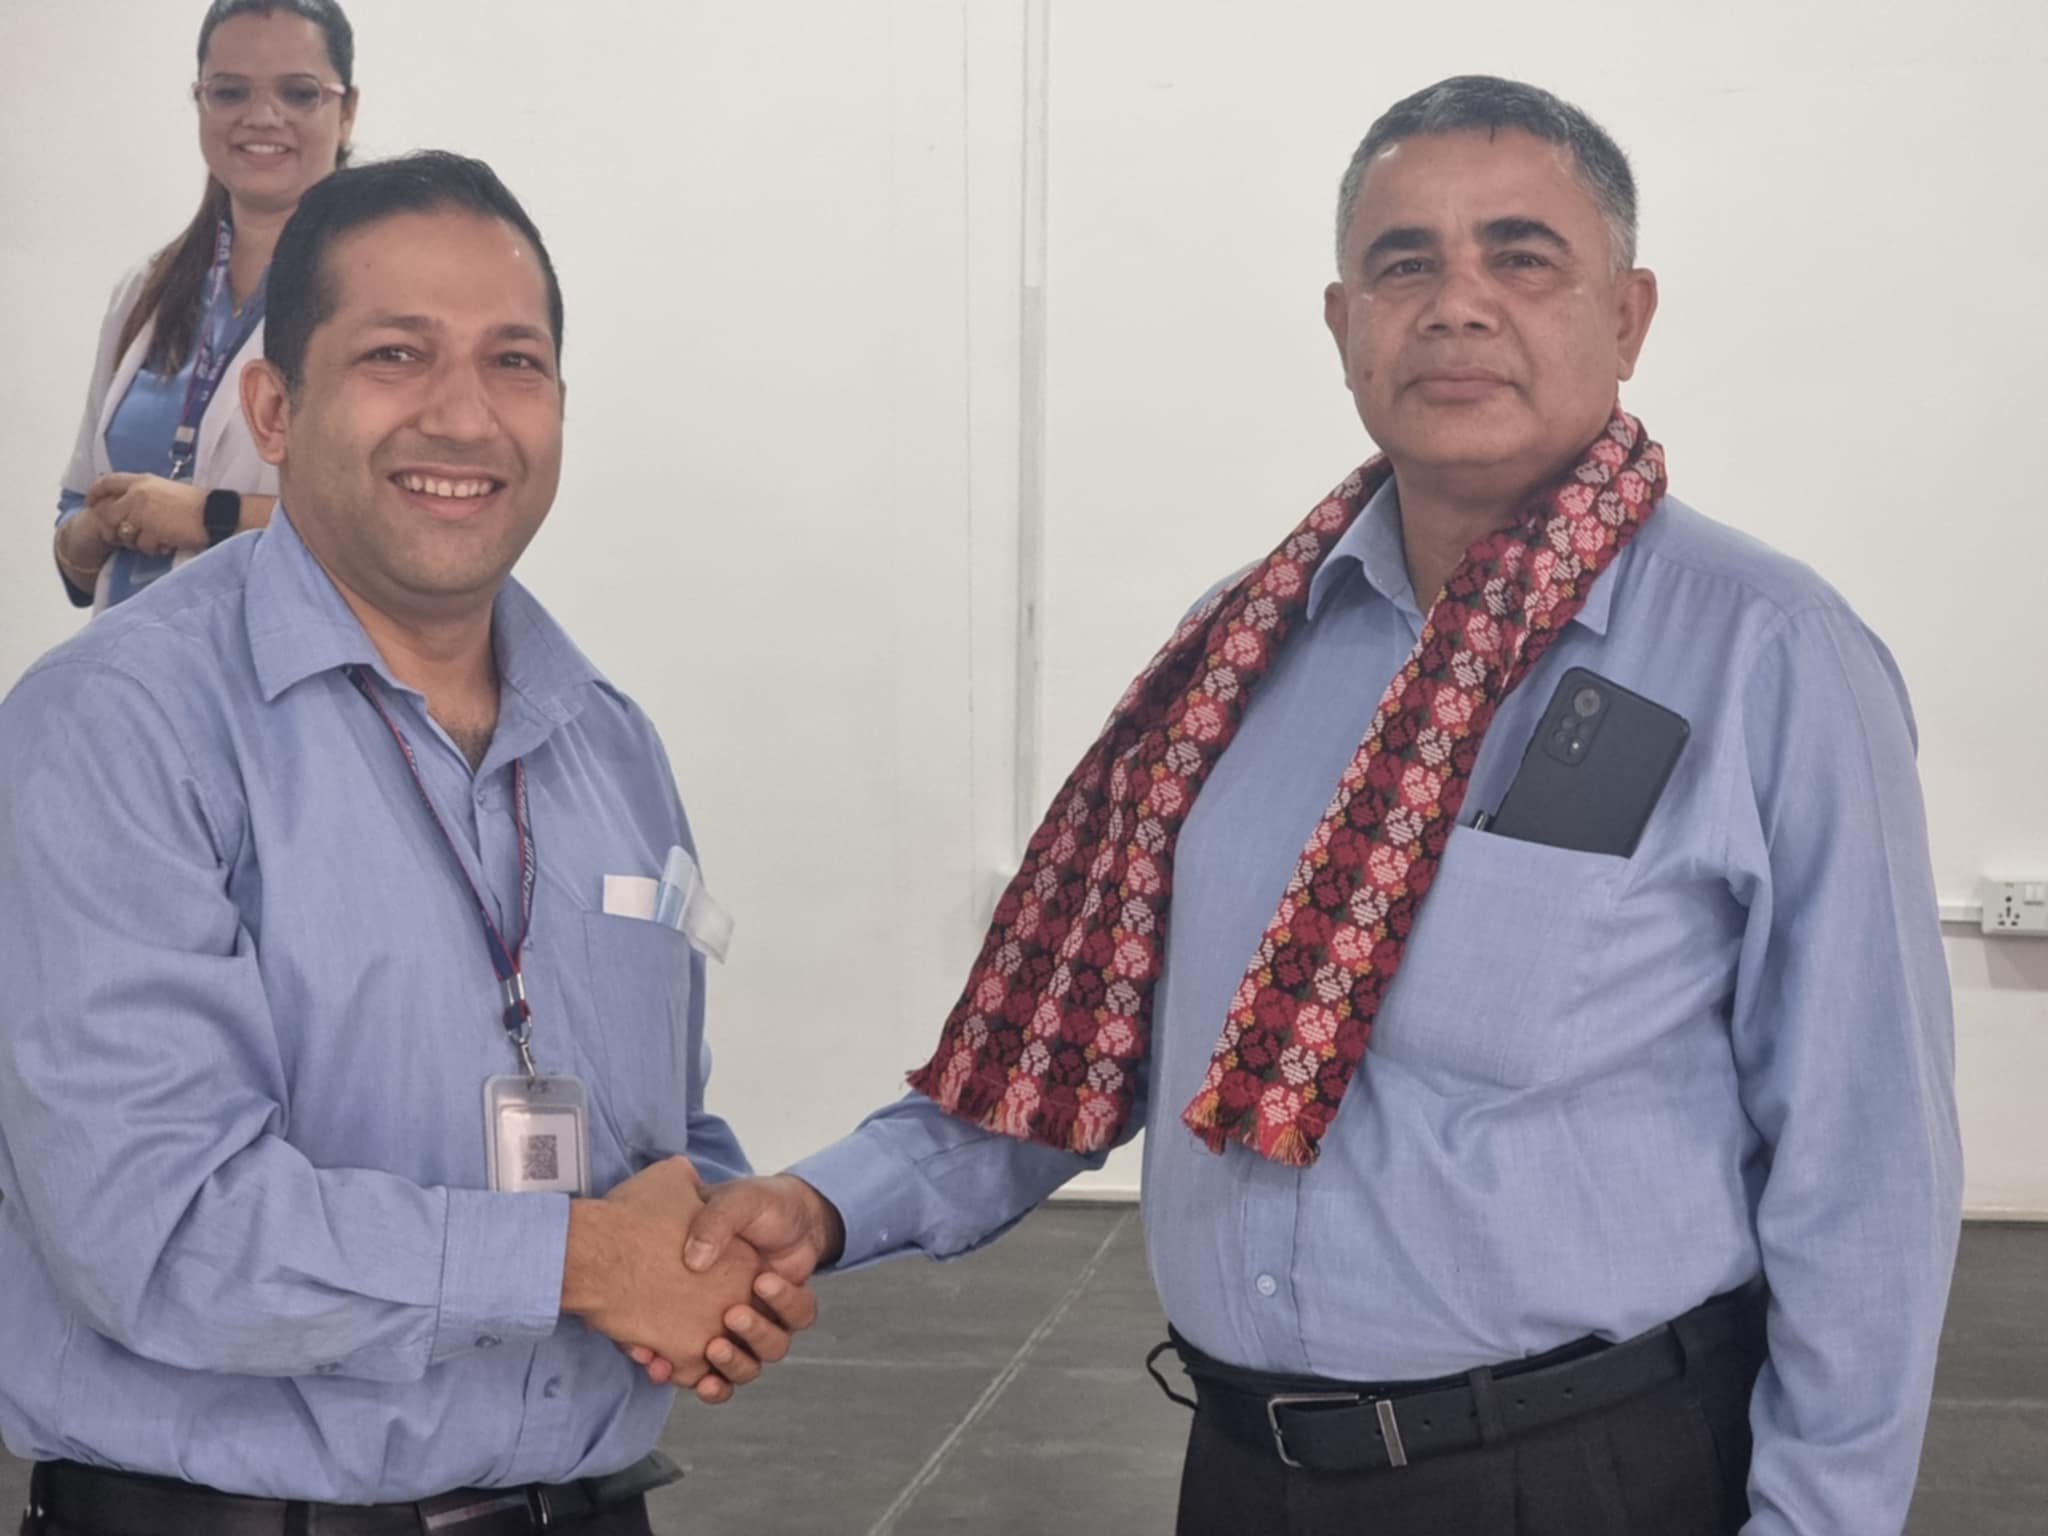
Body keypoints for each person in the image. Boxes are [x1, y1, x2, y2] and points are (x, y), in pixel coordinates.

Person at [676, 75, 1963, 1535]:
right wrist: (827, 1203)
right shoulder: (1238, 655)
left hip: (1587, 1479)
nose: (1457, 305)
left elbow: (1867, 1169)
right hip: (1246, 1476)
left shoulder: (1769, 656)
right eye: (1404, 264)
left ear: (1628, 315)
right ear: (1345, 326)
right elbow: (1076, 1045)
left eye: (1521, 256)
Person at [0, 152, 814, 1535]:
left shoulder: (607, 742)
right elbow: (155, 1230)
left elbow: (653, 1128)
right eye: (396, 354)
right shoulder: (121, 728)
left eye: (515, 362)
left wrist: (720, 1237)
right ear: (275, 407)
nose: (464, 414)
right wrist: (577, 1261)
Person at [49, 0, 357, 612]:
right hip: (132, 664)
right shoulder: (145, 292)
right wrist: (100, 527)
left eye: (298, 93)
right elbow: (75, 519)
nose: (261, 116)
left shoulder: (383, 299)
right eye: (230, 91)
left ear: (346, 112)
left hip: (292, 667)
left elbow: (397, 529)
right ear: (200, 103)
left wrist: (209, 516)